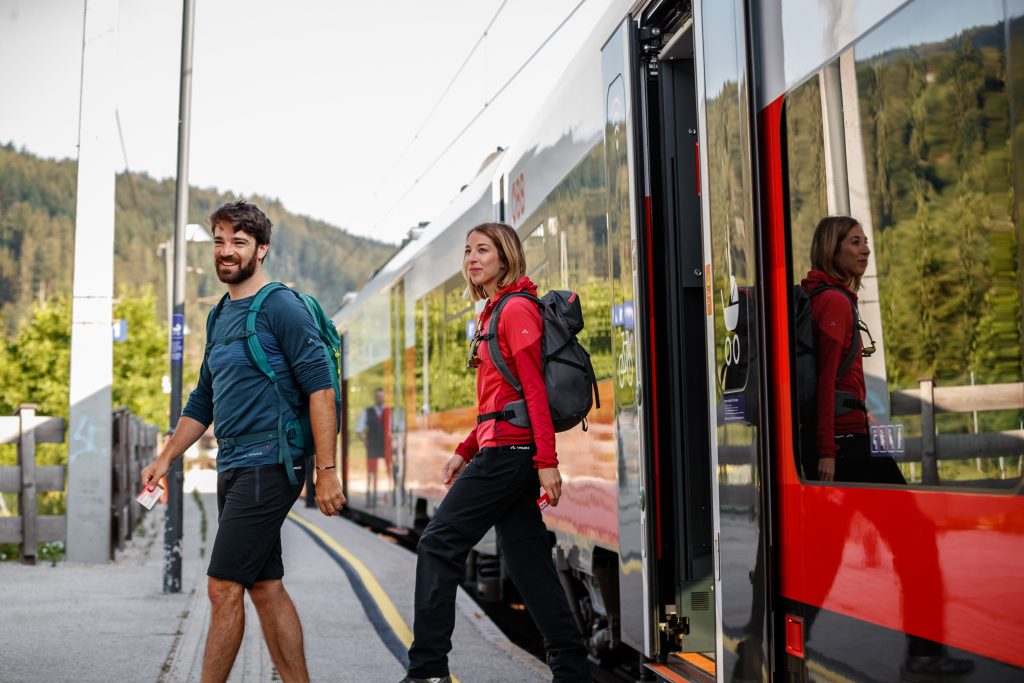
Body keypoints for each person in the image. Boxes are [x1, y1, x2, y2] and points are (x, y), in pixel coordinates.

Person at [141, 200, 345, 683]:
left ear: (262, 249)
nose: (226, 251)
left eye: (238, 242)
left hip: (271, 462)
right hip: (234, 465)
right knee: (264, 586)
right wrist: (166, 457)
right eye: (219, 241)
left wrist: (326, 471)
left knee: (222, 586)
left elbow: (321, 388)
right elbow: (202, 399)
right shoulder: (218, 318)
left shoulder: (281, 307)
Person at [401, 222, 590, 683]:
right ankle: (573, 674)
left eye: (483, 250)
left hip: (512, 454)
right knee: (528, 564)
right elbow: (495, 403)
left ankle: (428, 670)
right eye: (467, 251)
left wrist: (547, 462)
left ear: (505, 258)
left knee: (437, 544)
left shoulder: (515, 310)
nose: (472, 259)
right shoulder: (493, 313)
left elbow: (533, 393)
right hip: (503, 448)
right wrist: (465, 450)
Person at [801, 215, 903, 484]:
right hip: (843, 442)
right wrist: (827, 452)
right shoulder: (834, 301)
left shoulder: (823, 296)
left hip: (845, 435)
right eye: (855, 242)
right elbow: (826, 379)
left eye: (865, 242)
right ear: (832, 251)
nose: (866, 250)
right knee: (904, 514)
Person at [355, 387, 389, 506]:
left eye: (382, 396)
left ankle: (389, 498)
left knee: (389, 472)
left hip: (386, 447)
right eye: (378, 396)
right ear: (375, 398)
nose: (380, 398)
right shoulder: (367, 412)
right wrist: (366, 442)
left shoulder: (389, 412)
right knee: (371, 473)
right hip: (373, 447)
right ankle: (370, 498)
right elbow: (358, 430)